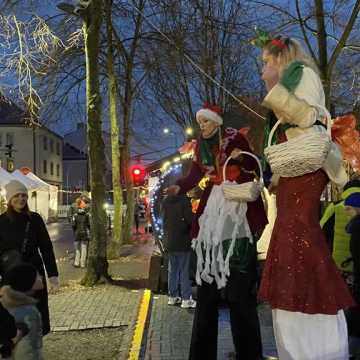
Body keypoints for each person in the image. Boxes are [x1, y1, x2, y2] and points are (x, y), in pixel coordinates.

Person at [258, 34, 355, 359]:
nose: (262, 72)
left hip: (307, 170)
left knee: (298, 240)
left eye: (266, 64)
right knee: (289, 240)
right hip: (295, 173)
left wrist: (277, 92)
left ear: (280, 60)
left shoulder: (304, 75)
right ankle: (297, 343)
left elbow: (309, 118)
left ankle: (318, 346)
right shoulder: (294, 80)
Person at [168, 103, 268, 360]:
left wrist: (239, 158)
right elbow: (193, 175)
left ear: (217, 122)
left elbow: (254, 168)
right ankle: (201, 354)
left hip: (236, 204)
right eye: (200, 123)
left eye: (206, 122)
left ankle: (249, 353)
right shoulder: (200, 146)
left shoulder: (236, 138)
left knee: (240, 295)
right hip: (213, 208)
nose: (202, 126)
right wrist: (179, 186)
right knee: (207, 295)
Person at [0, 180, 59, 336]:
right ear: (9, 199)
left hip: (34, 276)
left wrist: (53, 275)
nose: (21, 199)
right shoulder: (1, 221)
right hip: (10, 276)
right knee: (13, 320)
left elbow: (46, 248)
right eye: (17, 196)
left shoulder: (35, 219)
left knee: (35, 317)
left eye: (24, 195)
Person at [0, 263, 44, 360]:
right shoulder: (28, 311)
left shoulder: (11, 304)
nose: (41, 276)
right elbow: (28, 345)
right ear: (27, 282)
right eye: (37, 275)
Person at [162, 191, 195, 308]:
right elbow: (190, 219)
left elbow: (163, 220)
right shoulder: (184, 201)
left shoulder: (165, 201)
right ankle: (186, 299)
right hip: (182, 240)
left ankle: (172, 296)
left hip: (169, 240)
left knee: (173, 269)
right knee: (184, 270)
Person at [72, 198, 91, 268]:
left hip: (77, 234)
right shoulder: (86, 215)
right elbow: (89, 225)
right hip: (84, 233)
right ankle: (82, 263)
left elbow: (73, 225)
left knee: (77, 249)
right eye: (83, 203)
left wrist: (74, 231)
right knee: (84, 248)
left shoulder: (75, 215)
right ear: (81, 205)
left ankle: (76, 263)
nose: (85, 204)